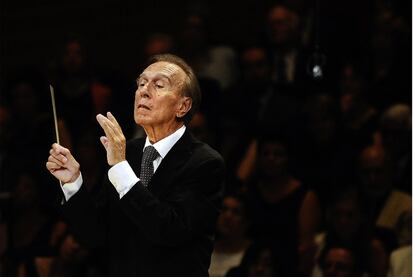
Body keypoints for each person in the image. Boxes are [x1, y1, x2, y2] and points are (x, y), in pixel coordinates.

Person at [46, 54, 226, 277]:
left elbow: (169, 230)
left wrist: (121, 167)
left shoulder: (205, 163)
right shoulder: (127, 152)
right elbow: (94, 236)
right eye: (141, 83)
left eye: (158, 85)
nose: (144, 90)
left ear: (183, 106)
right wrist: (73, 181)